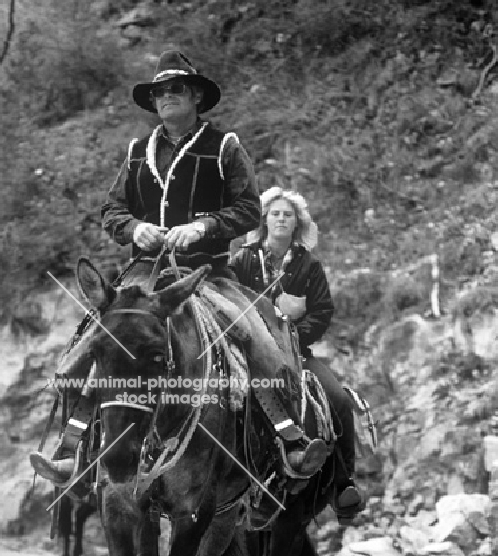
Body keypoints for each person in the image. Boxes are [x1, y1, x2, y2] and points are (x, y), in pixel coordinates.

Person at [30, 52, 326, 486]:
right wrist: (135, 228)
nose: (167, 97)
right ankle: (70, 449)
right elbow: (112, 209)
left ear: (196, 96)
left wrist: (205, 226)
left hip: (207, 271)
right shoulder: (136, 152)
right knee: (98, 338)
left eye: (176, 90)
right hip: (143, 272)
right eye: (160, 92)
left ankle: (289, 439)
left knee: (254, 336)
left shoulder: (224, 147)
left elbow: (247, 210)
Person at [231, 186, 364, 523]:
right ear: (263, 219)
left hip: (298, 355)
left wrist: (292, 339)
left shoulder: (309, 265)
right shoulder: (243, 260)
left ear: (296, 223)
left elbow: (321, 311)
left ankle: (342, 483)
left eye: (287, 215)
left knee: (339, 399)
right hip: (249, 357)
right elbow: (228, 305)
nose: (280, 219)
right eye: (275, 213)